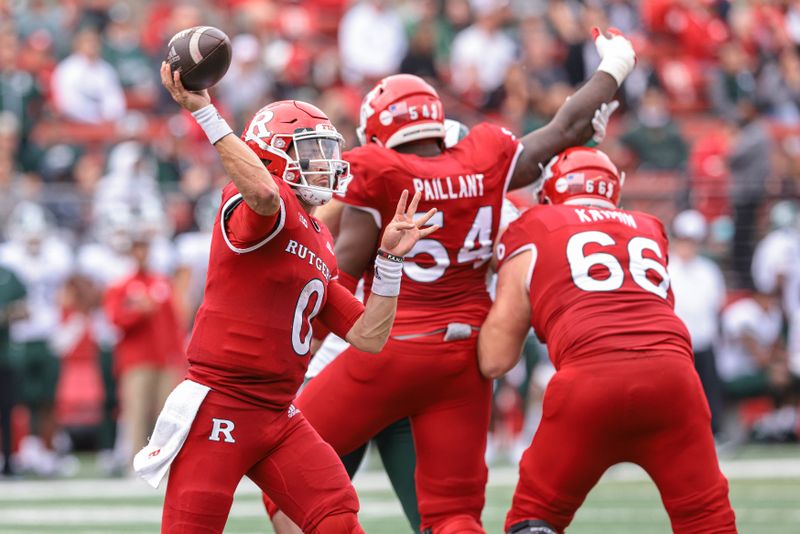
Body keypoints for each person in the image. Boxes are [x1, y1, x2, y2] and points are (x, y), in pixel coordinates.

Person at [266, 27, 637, 534]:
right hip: (463, 360)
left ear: (376, 133)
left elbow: (339, 278)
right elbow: (566, 126)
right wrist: (616, 64)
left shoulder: (377, 170)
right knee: (453, 516)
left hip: (389, 349)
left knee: (284, 466)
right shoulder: (487, 159)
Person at [134, 62, 438, 534]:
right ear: (272, 155)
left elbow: (369, 335)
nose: (326, 162)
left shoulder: (318, 236)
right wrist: (207, 114)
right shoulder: (258, 203)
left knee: (338, 514)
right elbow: (264, 195)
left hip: (278, 412)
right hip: (222, 405)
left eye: (325, 150)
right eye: (311, 150)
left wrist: (391, 263)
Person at [479, 147, 737, 533]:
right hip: (674, 380)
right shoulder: (648, 226)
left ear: (549, 192)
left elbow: (495, 359)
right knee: (706, 521)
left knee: (533, 518)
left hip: (590, 382)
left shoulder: (533, 225)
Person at [668, 209, 726, 436]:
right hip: (677, 344)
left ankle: (714, 433)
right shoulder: (668, 268)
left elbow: (715, 305)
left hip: (703, 341)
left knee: (708, 391)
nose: (687, 246)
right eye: (684, 240)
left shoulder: (708, 271)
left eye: (691, 241)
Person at [0, 263, 26, 477]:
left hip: (5, 354)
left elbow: (24, 310)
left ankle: (9, 461)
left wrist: (7, 314)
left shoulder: (8, 275)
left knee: (7, 411)